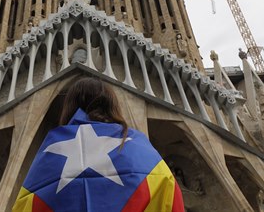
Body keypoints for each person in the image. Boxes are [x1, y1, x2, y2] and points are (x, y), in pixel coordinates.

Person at [13, 77, 184, 212]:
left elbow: (26, 204)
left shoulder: (49, 153)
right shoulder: (138, 146)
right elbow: (169, 196)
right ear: (111, 104)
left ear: (69, 107)